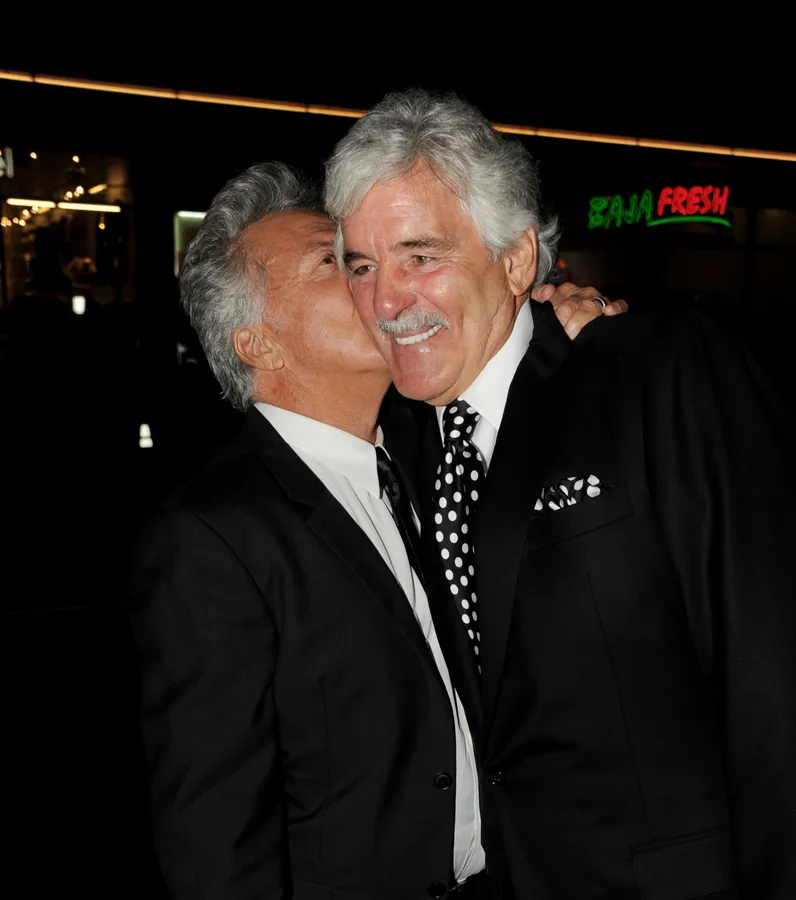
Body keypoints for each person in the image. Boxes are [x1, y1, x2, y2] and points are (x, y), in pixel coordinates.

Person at [326, 88, 796, 900]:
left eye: (420, 256)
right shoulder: (396, 442)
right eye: (362, 266)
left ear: (516, 260)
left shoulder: (655, 373)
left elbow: (774, 676)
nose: (385, 300)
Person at [127, 161, 617, 900]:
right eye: (339, 265)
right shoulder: (213, 534)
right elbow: (215, 834)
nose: (377, 289)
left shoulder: (434, 450)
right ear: (259, 344)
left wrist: (562, 321)